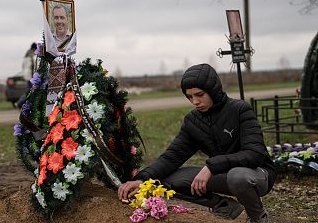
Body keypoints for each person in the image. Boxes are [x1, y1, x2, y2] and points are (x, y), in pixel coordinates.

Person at [118, 63, 276, 223]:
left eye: (200, 95)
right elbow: (171, 158)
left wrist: (211, 166)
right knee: (166, 181)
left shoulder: (240, 109)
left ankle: (257, 218)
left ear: (213, 90)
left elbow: (255, 154)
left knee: (238, 176)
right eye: (190, 97)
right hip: (222, 174)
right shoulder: (193, 121)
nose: (195, 101)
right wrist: (142, 179)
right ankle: (223, 205)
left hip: (257, 175)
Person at [15, 43, 37, 108]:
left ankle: (22, 103)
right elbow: (33, 66)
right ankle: (20, 103)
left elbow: (23, 67)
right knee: (30, 91)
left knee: (29, 91)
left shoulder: (26, 56)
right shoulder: (32, 55)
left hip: (27, 76)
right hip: (31, 76)